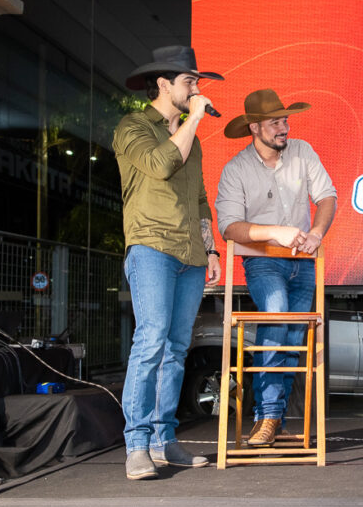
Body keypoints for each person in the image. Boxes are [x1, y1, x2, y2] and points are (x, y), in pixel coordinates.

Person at [114, 45, 223, 480]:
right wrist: (193, 119)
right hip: (151, 247)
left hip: (190, 255)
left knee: (177, 349)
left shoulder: (190, 138)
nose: (196, 89)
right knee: (151, 341)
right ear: (163, 84)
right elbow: (160, 165)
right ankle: (136, 444)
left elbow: (199, 198)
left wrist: (211, 249)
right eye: (189, 82)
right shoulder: (133, 126)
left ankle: (164, 439)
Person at [215, 89, 337, 446]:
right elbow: (229, 227)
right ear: (254, 127)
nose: (284, 128)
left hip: (303, 262)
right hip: (263, 261)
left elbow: (327, 197)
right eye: (275, 123)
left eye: (285, 121)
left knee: (294, 337)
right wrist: (274, 232)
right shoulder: (236, 168)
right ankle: (267, 415)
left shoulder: (303, 151)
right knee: (277, 314)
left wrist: (316, 233)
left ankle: (274, 419)